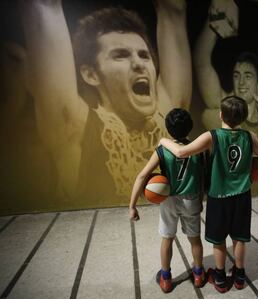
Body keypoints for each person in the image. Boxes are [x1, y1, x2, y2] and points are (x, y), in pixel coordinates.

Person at [19, 0, 191, 204]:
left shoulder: (168, 115)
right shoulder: (75, 128)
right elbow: (42, 7)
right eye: (121, 56)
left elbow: (173, 10)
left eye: (144, 56)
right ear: (91, 74)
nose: (138, 64)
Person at [159, 95, 258, 293]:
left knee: (219, 240)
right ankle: (239, 276)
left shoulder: (211, 136)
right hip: (242, 196)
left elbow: (181, 152)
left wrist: (163, 141)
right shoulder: (250, 137)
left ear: (221, 114)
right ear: (244, 117)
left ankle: (220, 278)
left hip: (218, 199)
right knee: (240, 237)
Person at [129, 108, 205, 293]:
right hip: (192, 198)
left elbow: (142, 176)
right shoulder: (199, 149)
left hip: (169, 199)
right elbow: (205, 176)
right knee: (195, 240)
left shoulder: (162, 150)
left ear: (168, 129)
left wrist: (132, 206)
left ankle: (165, 278)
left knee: (167, 239)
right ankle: (198, 274)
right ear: (190, 128)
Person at [194, 0, 258, 153]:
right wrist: (215, 19)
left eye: (248, 75)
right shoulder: (225, 105)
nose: (241, 82)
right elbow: (201, 62)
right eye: (237, 75)